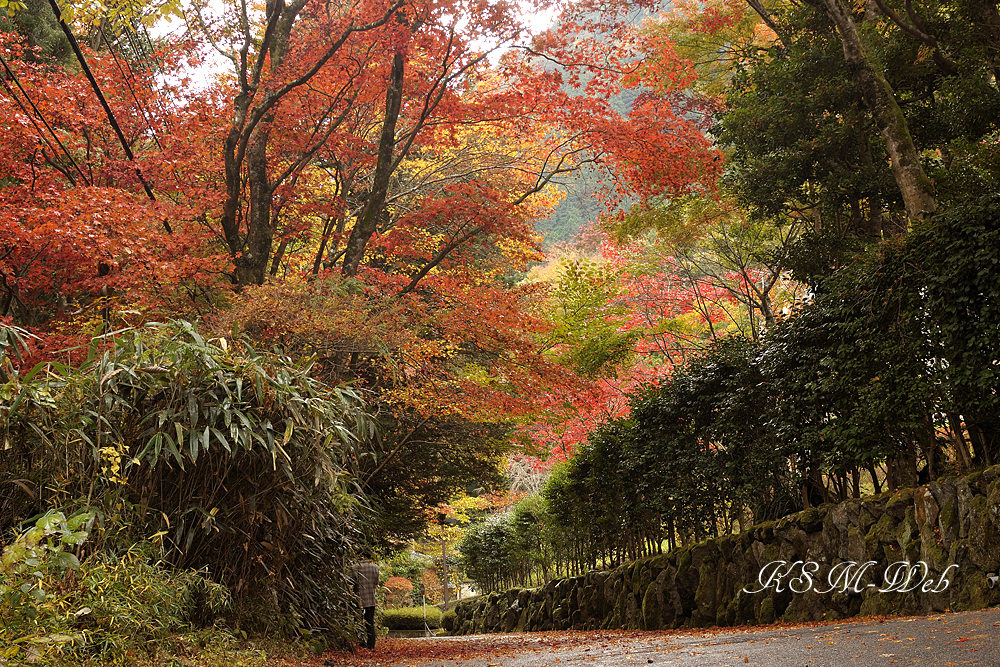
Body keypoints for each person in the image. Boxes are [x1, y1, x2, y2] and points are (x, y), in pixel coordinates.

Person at [352, 551, 380, 649]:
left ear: (360, 556)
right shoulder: (375, 567)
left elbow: (351, 581)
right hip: (371, 598)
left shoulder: (355, 567)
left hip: (358, 598)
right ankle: (371, 644)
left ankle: (362, 642)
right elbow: (376, 582)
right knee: (370, 622)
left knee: (358, 621)